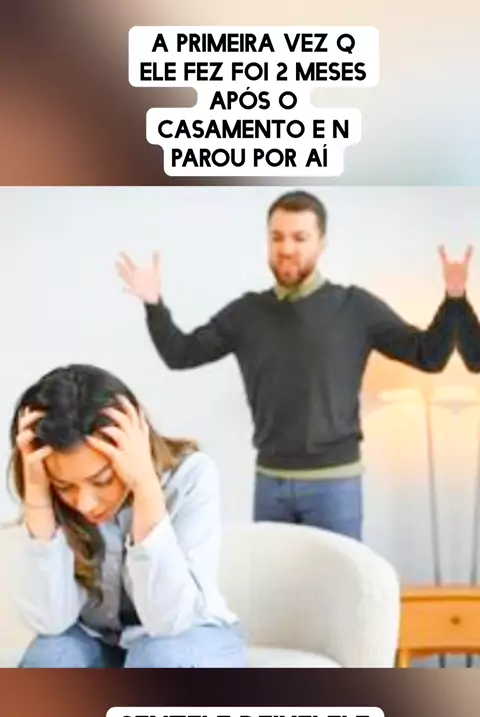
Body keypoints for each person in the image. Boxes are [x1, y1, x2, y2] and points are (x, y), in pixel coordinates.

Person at [116, 191, 465, 541]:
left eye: (300, 237)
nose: (286, 248)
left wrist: (453, 299)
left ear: (321, 243)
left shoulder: (355, 307)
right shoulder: (247, 313)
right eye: (277, 237)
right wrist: (153, 304)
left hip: (335, 486)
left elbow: (429, 355)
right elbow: (181, 354)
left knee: (336, 577)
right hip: (271, 484)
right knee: (273, 577)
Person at [9, 364, 246, 668]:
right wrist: (39, 497)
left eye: (103, 480)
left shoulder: (191, 476)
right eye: (65, 486)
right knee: (50, 658)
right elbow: (50, 622)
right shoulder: (50, 495)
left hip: (188, 634)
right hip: (97, 638)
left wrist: (146, 489)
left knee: (158, 658)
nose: (85, 503)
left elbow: (169, 620)